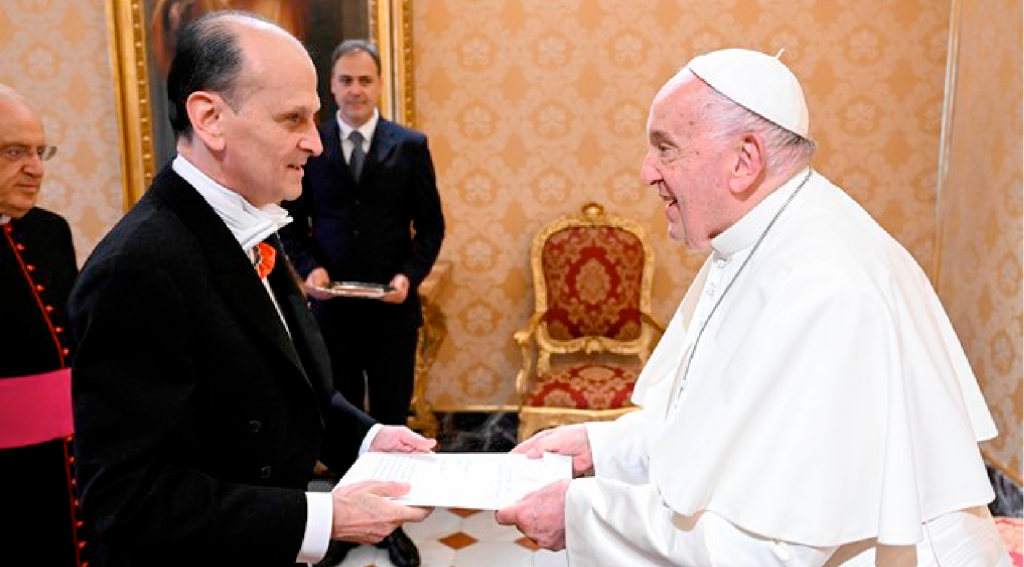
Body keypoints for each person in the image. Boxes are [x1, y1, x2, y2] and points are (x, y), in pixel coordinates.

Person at [495, 48, 1012, 567]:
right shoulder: (761, 239)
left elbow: (768, 547)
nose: (646, 172)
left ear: (744, 161)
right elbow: (714, 421)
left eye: (666, 148)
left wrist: (581, 514)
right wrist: (600, 447)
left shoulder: (824, 285)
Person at [69, 12, 432, 567]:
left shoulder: (251, 221)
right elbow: (128, 499)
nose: (315, 143)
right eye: (293, 119)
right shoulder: (136, 267)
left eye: (314, 117)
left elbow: (282, 387)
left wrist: (365, 439)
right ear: (210, 118)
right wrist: (322, 518)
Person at [280, 38, 444, 567]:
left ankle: (393, 527)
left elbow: (431, 228)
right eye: (346, 80)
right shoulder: (312, 144)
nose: (355, 89)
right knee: (343, 421)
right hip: (333, 312)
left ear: (379, 85)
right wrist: (309, 269)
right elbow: (292, 224)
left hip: (393, 312)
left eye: (365, 80)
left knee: (391, 419)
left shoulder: (410, 145)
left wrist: (408, 276)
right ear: (331, 87)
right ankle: (347, 525)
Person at [0, 84, 86, 566]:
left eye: (40, 151)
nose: (36, 168)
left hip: (71, 460)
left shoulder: (51, 230)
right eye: (15, 152)